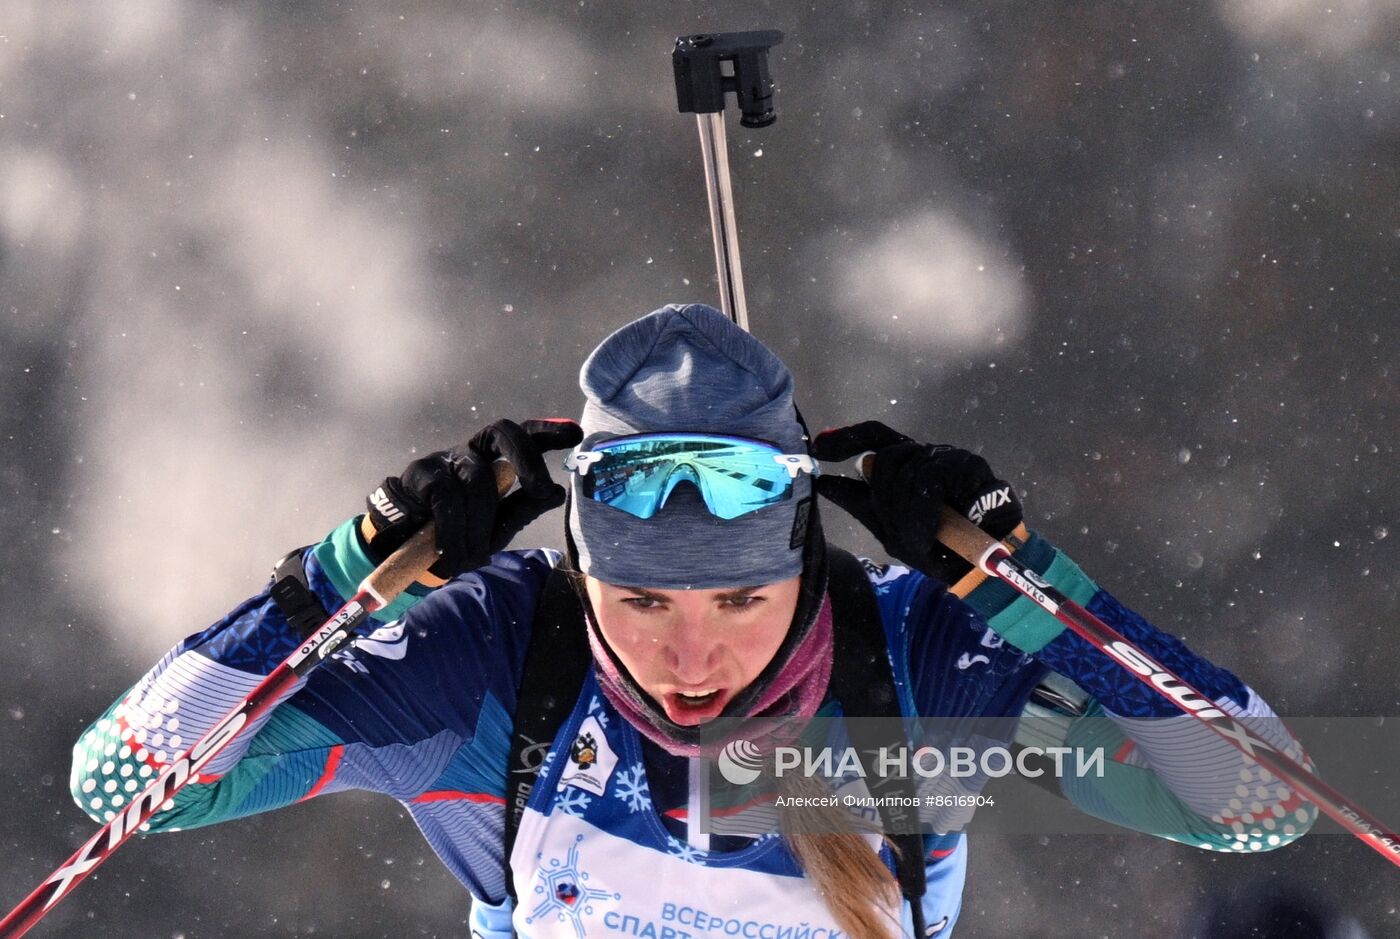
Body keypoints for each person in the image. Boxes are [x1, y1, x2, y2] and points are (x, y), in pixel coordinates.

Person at [70, 303, 1316, 939]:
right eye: (641, 600)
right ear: (580, 573)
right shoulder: (499, 668)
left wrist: (1016, 580)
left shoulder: (908, 677)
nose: (689, 656)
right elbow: (128, 779)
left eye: (739, 599)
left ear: (805, 568)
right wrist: (348, 571)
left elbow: (1257, 803)